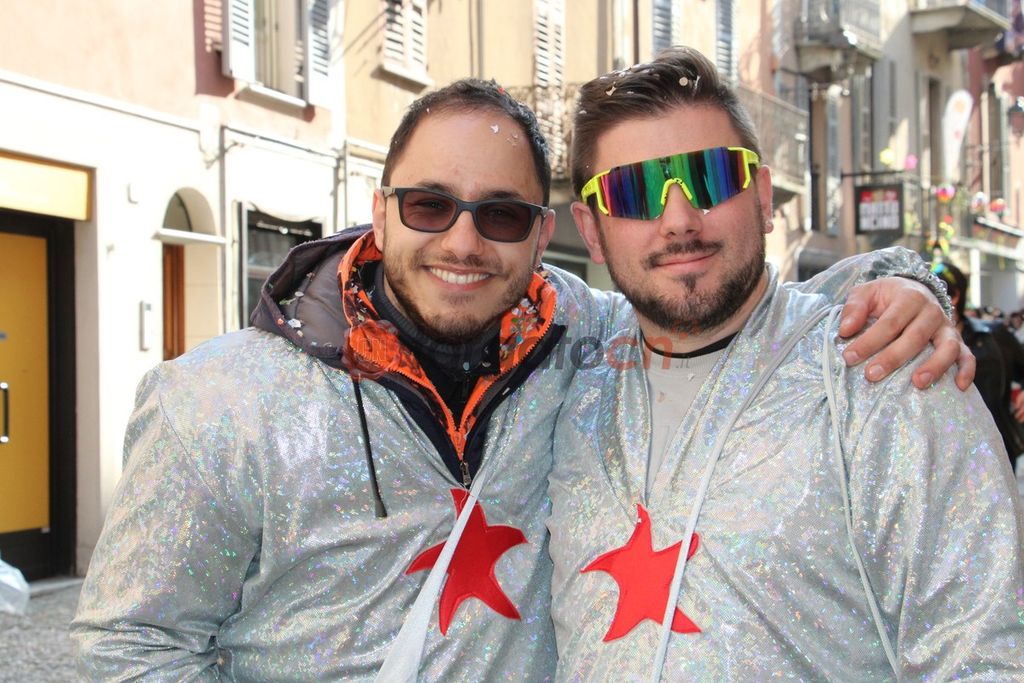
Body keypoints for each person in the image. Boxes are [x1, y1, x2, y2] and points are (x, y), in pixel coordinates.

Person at [72, 77, 965, 680]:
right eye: (430, 205)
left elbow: (717, 300)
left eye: (500, 215)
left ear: (545, 234)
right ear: (380, 213)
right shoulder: (217, 401)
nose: (463, 241)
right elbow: (128, 648)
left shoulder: (584, 338)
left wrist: (901, 283)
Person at [548, 47, 1024, 681]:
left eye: (711, 177)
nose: (679, 219)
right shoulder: (566, 380)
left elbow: (985, 650)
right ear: (590, 229)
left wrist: (907, 278)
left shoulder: (881, 369)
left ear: (763, 195)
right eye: (632, 192)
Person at [932, 261, 1024, 470]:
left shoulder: (993, 335)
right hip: (942, 455)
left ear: (954, 296)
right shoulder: (916, 342)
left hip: (995, 448)